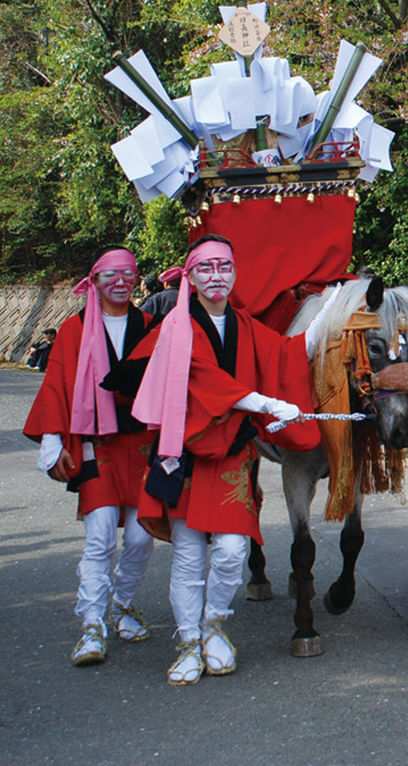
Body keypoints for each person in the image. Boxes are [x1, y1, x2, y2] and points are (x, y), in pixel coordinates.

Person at [128, 235, 322, 684]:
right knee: (190, 557)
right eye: (206, 268)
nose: (216, 277)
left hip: (231, 456)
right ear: (191, 276)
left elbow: (285, 352)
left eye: (224, 268)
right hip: (186, 454)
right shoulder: (177, 326)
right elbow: (204, 378)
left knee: (233, 551)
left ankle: (214, 623)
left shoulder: (245, 325)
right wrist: (266, 404)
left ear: (235, 273)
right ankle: (188, 641)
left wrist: (329, 314)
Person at [22, 249, 159, 667]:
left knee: (140, 537)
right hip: (95, 442)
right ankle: (92, 625)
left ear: (136, 280)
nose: (120, 281)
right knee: (99, 537)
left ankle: (124, 604)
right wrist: (53, 441)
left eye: (128, 274)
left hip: (140, 443)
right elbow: (58, 385)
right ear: (94, 280)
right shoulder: (74, 328)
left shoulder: (151, 325)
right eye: (110, 274)